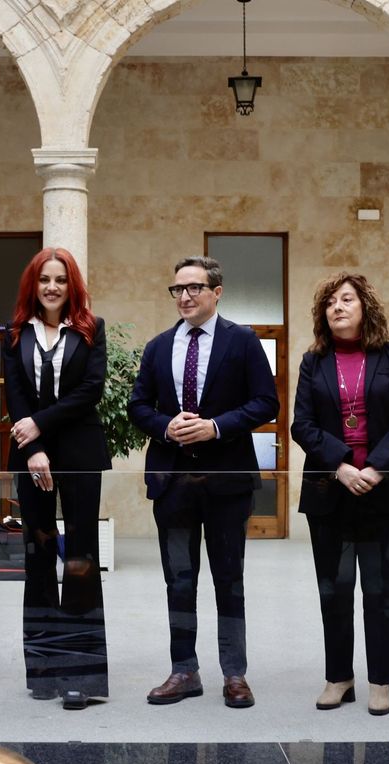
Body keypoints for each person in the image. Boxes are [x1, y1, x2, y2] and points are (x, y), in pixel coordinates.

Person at [128, 255, 280, 709]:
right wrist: (164, 426)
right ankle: (183, 670)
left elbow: (265, 403)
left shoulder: (244, 341)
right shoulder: (158, 347)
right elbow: (138, 405)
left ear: (216, 292)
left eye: (194, 288)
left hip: (227, 482)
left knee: (228, 578)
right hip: (173, 482)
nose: (185, 296)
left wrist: (216, 426)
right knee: (179, 578)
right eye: (178, 289)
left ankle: (234, 674)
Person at [290, 272, 389, 717]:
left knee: (382, 591)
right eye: (330, 302)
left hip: (384, 488)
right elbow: (301, 425)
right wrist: (343, 465)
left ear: (366, 307)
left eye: (347, 299)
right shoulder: (313, 362)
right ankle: (338, 677)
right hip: (331, 488)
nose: (338, 307)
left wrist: (376, 466)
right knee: (335, 589)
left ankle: (380, 681)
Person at [3, 247, 111, 710]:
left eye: (61, 280)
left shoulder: (92, 328)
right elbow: (18, 393)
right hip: (32, 457)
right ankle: (44, 669)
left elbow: (91, 391)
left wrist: (40, 426)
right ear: (33, 284)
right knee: (39, 554)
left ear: (73, 286)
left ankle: (81, 675)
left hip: (81, 452)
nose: (52, 287)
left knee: (81, 558)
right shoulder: (14, 333)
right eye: (45, 279)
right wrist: (34, 448)